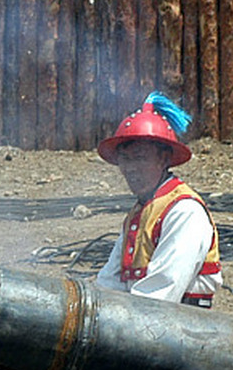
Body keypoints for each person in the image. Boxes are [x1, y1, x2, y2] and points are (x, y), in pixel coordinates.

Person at [93, 93, 222, 307]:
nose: (131, 168)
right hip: (141, 316)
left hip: (180, 326)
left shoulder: (184, 211)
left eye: (141, 158)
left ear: (164, 159)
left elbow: (161, 295)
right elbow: (109, 282)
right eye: (125, 159)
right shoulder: (140, 211)